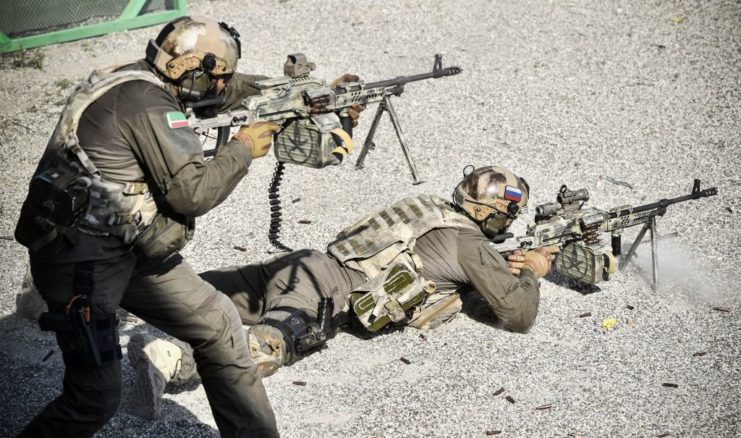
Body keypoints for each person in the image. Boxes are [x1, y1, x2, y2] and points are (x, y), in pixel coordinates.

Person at [13, 16, 360, 438]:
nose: (219, 88)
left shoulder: (140, 78)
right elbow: (192, 194)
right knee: (92, 399)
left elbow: (229, 89)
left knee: (218, 323)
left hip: (127, 245)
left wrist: (305, 95)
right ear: (190, 69)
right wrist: (244, 148)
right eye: (212, 78)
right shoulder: (151, 106)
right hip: (81, 264)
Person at [127, 165, 559, 419]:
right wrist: (534, 269)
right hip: (326, 290)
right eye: (506, 215)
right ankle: (173, 361)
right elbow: (517, 313)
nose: (508, 225)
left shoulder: (429, 207)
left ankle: (93, 287)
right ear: (486, 212)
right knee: (270, 344)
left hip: (302, 265)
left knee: (185, 291)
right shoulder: (469, 242)